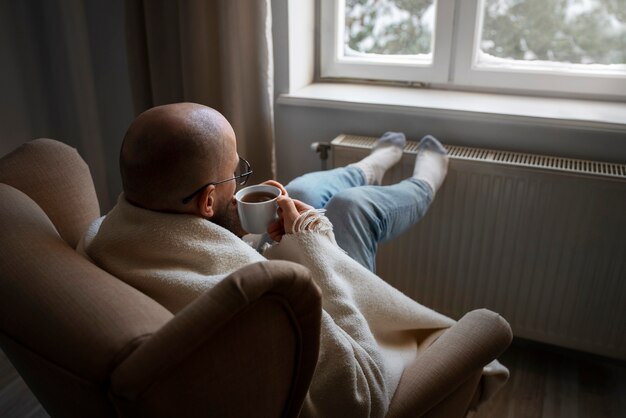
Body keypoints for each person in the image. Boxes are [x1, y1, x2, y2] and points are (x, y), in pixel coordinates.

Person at [81, 102, 508, 418]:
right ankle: (425, 180)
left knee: (299, 186)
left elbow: (202, 260)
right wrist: (313, 242)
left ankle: (369, 166)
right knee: (357, 210)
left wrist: (263, 244)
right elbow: (363, 394)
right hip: (343, 325)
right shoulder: (260, 303)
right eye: (238, 173)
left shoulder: (100, 237)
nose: (242, 179)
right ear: (209, 200)